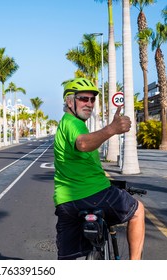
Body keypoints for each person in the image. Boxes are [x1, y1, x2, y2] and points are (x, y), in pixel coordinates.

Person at [53, 77, 145, 260]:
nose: (89, 103)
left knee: (67, 259)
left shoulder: (65, 123)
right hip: (94, 194)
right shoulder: (73, 124)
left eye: (92, 99)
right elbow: (82, 144)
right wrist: (111, 129)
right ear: (69, 101)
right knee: (138, 211)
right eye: (83, 99)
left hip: (65, 202)